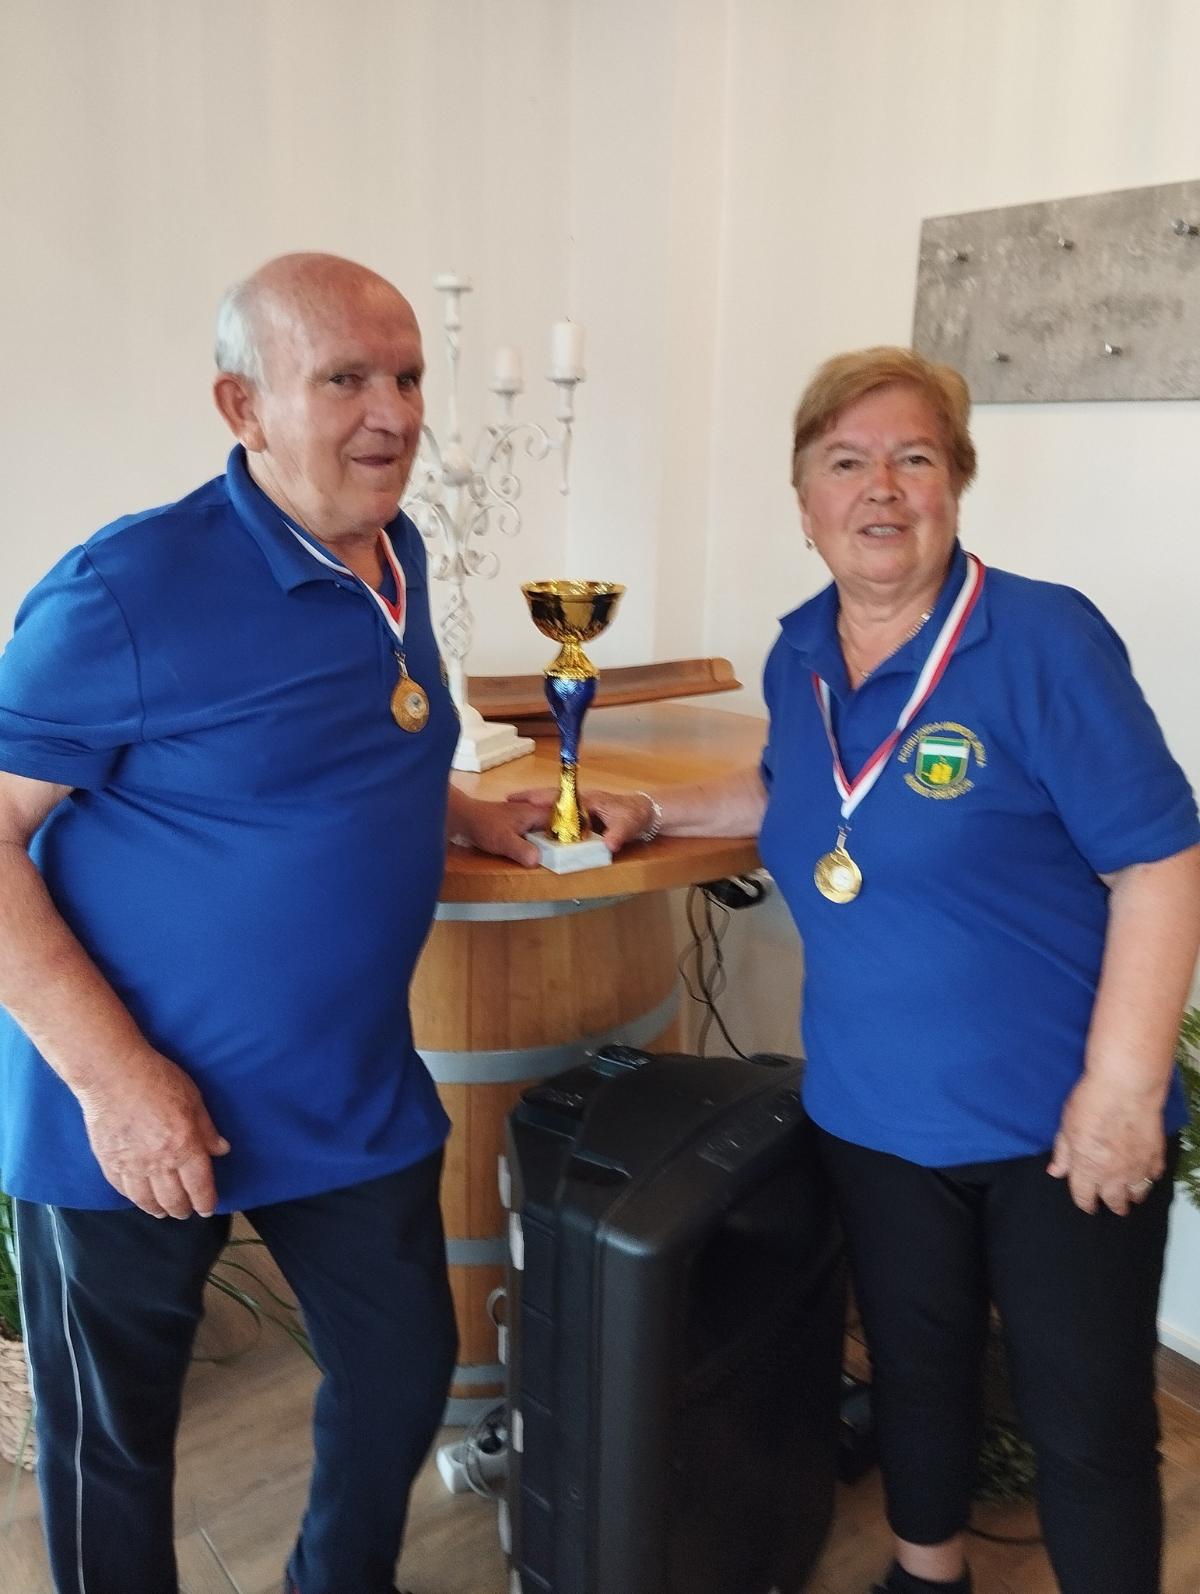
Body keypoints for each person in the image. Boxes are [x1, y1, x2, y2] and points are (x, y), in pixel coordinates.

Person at [539, 347, 1200, 1594]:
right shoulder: (801, 650)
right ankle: (925, 1572)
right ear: (805, 502)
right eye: (846, 462)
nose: (880, 487)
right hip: (872, 1112)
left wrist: (1121, 1091)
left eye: (914, 458)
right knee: (914, 1367)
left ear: (956, 484)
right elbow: (798, 790)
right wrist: (652, 809)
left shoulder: (1041, 639)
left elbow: (1161, 860)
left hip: (1057, 1123)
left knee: (1088, 1422)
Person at [0, 252, 545, 1594]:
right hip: (127, 1102)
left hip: (341, 1088)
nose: (393, 413)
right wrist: (117, 1083)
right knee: (115, 1440)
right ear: (241, 405)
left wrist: (469, 813)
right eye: (346, 378)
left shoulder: (395, 550)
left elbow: (352, 744)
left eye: (407, 375)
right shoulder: (125, 589)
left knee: (402, 1364)